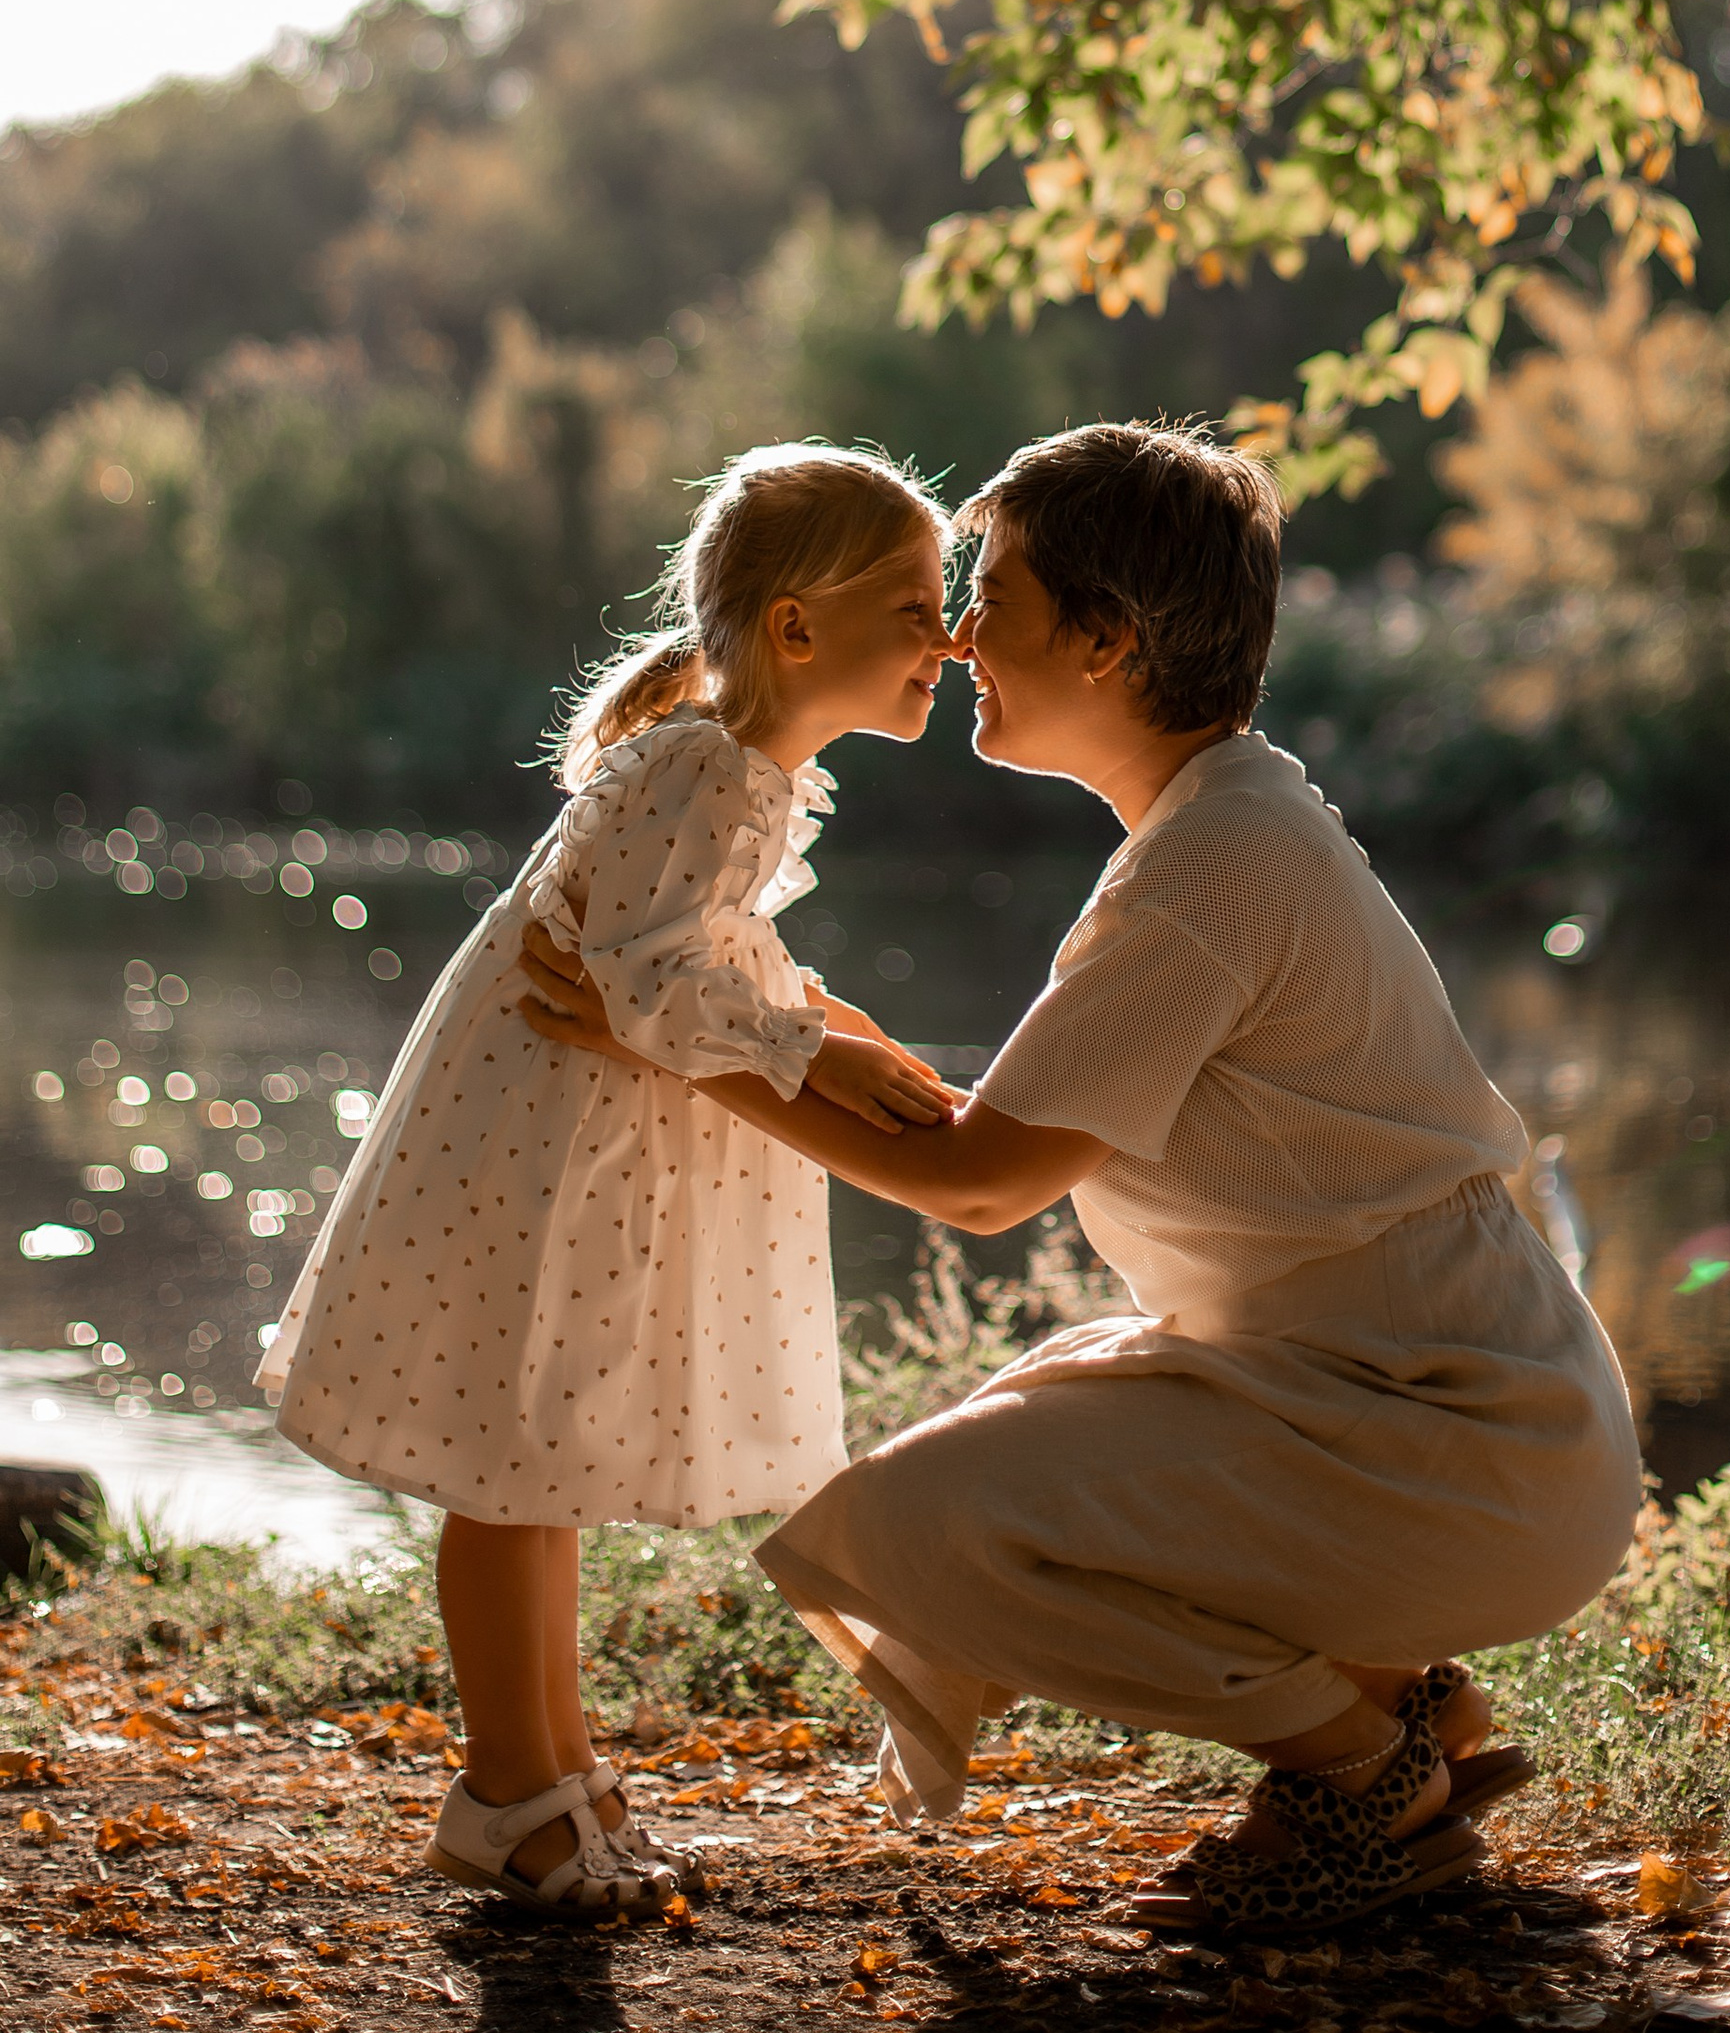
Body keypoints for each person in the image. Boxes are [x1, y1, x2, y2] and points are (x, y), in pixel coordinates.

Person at [522, 420, 1643, 1936]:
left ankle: (1360, 1770)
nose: (965, 633)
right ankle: (1399, 1699)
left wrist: (680, 1050)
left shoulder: (1213, 869)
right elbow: (1008, 1125)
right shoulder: (1224, 822)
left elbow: (985, 1183)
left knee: (925, 1530)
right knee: (986, 1456)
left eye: (1001, 594)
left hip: (1461, 1440)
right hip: (1394, 1399)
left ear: (1108, 643)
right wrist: (778, 1023)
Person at [260, 442, 961, 1921]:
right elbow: (649, 978)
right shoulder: (712, 768)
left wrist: (824, 1025)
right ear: (794, 627)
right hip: (553, 1149)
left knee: (538, 1463)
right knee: (512, 1466)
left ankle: (550, 1771)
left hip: (571, 1135)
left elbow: (691, 960)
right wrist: (812, 1058)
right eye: (913, 605)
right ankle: (512, 1789)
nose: (946, 638)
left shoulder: (731, 766)